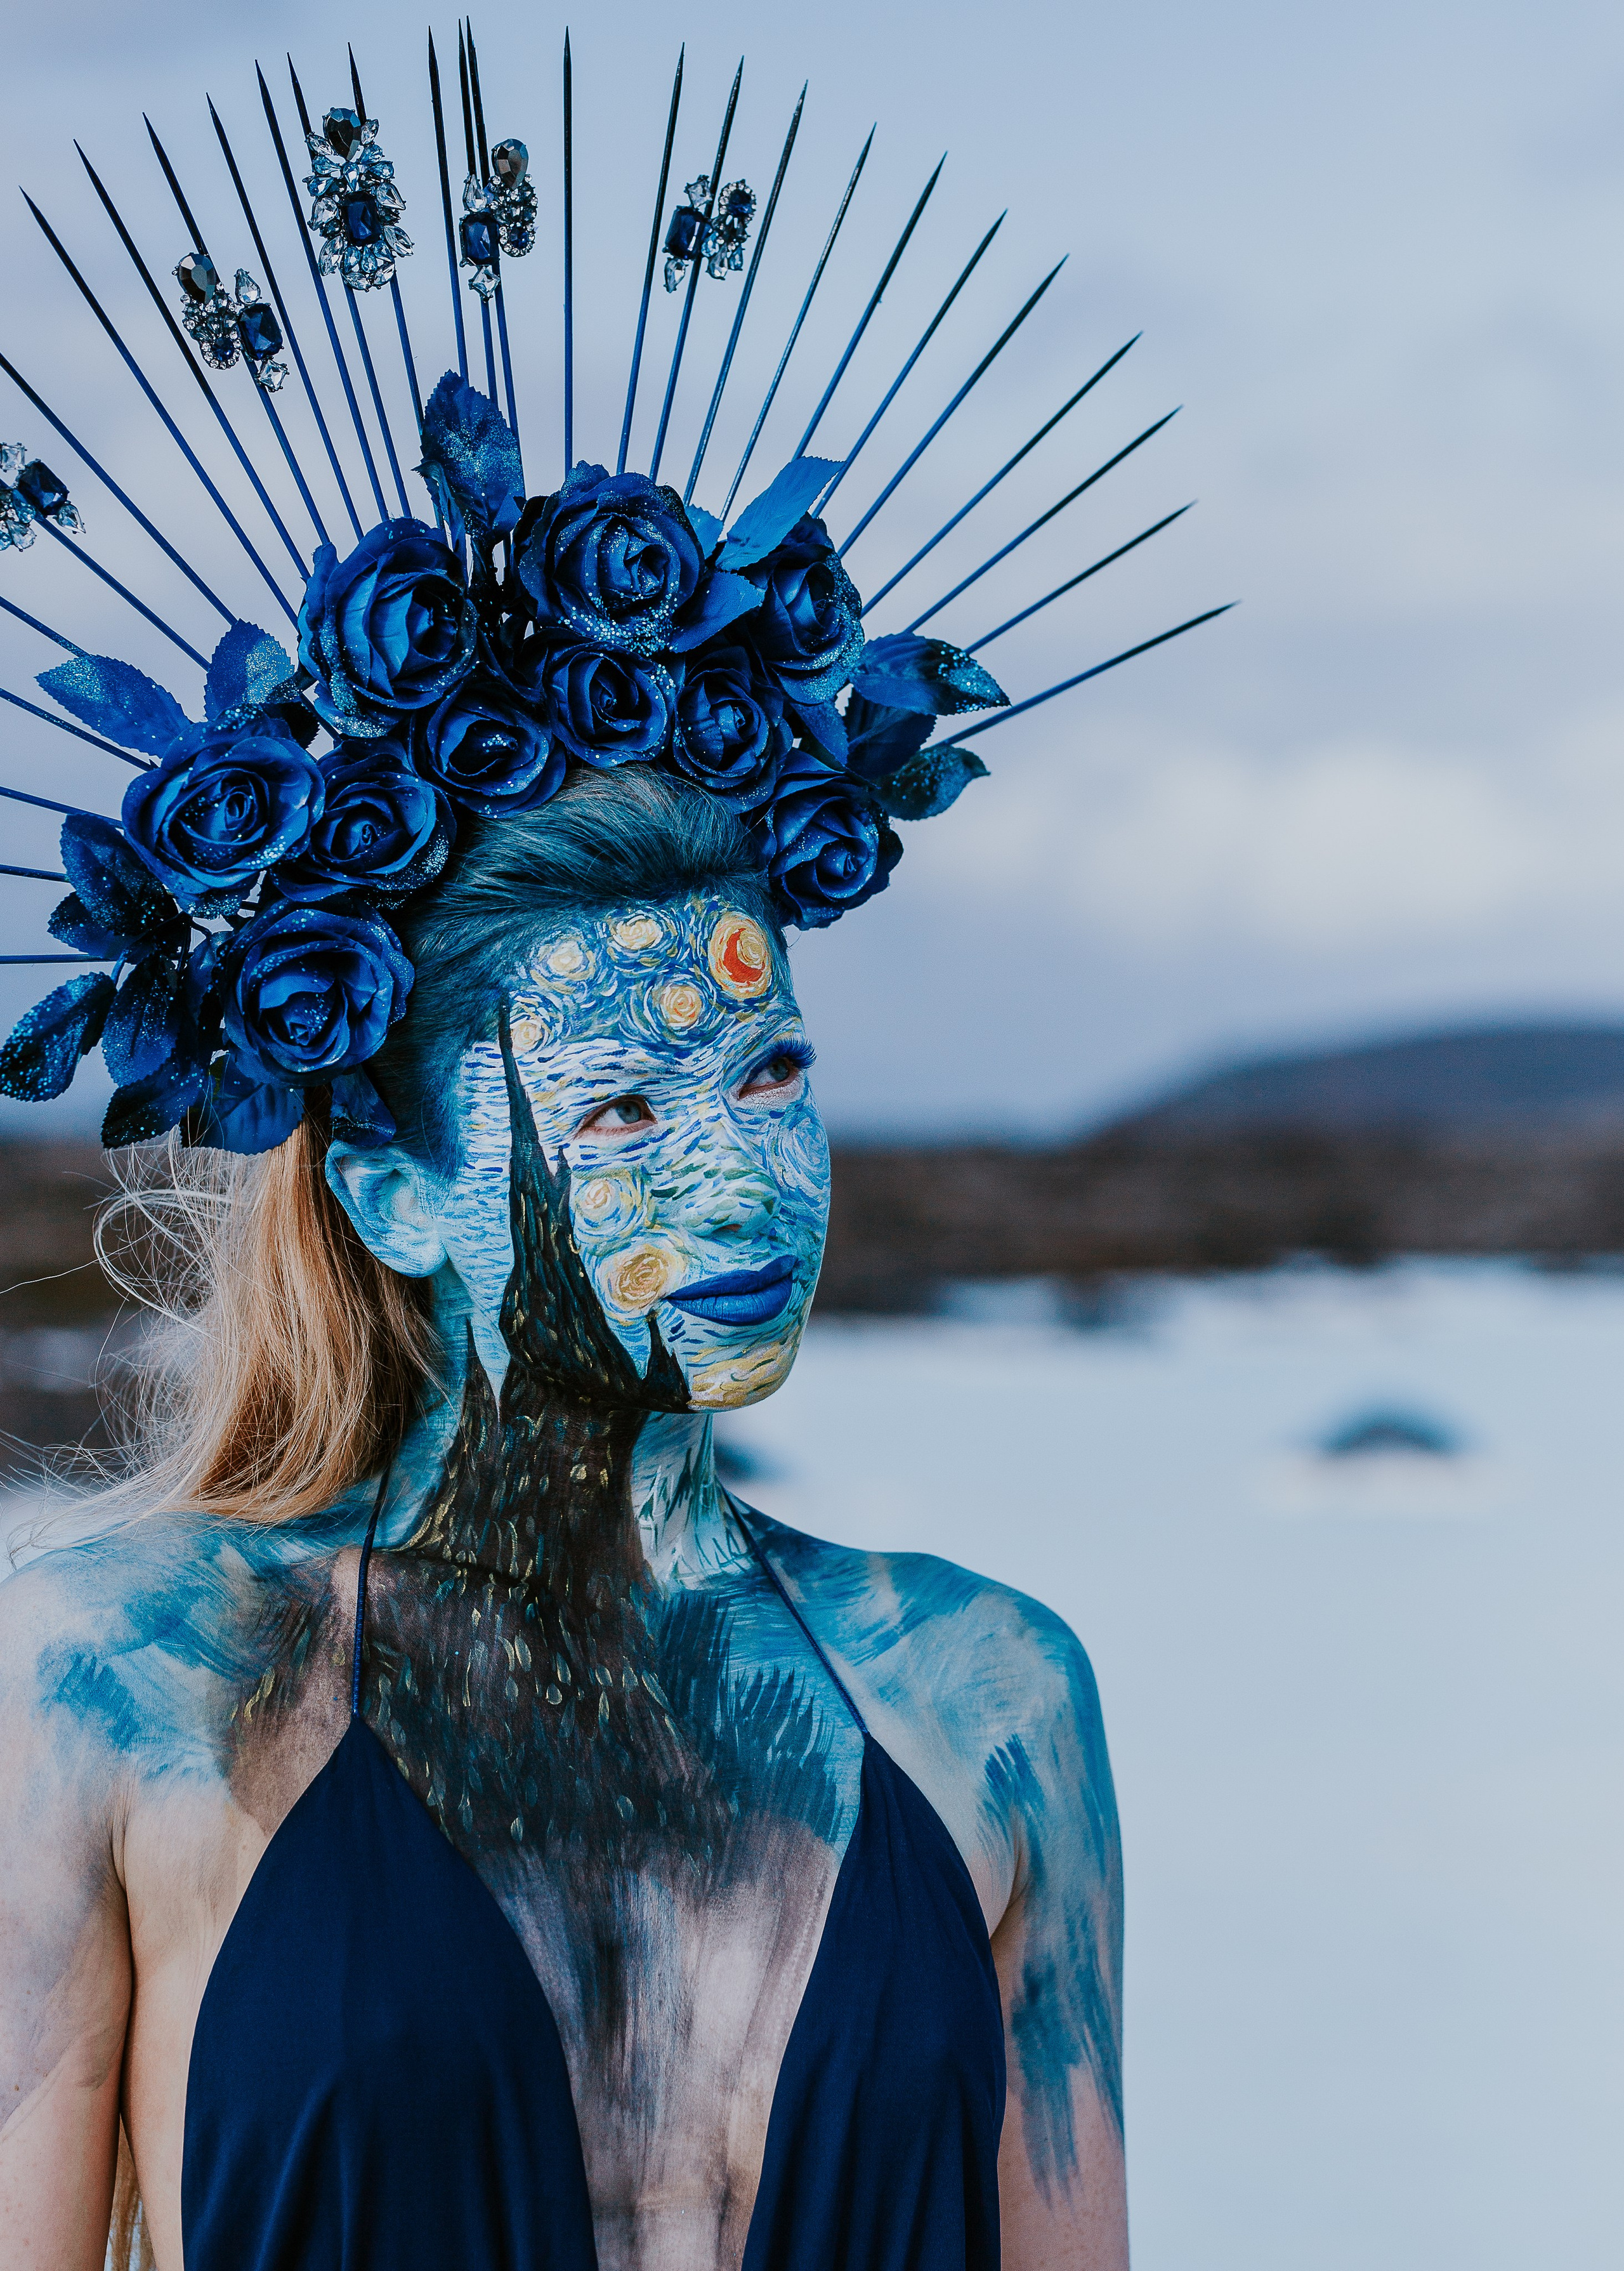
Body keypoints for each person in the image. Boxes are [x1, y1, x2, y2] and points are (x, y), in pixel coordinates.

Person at [0, 23, 1210, 2266]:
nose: (743, 1175)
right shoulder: (118, 1681)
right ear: (393, 1189)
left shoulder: (988, 1695)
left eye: (770, 1078)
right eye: (629, 1108)